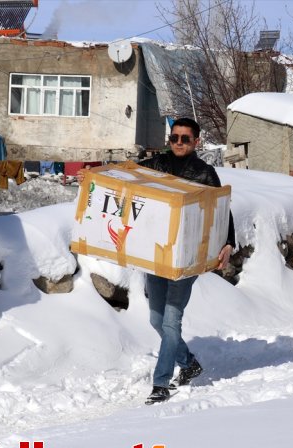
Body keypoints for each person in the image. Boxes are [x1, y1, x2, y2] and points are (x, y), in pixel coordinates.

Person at [77, 117, 236, 405]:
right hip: (156, 255)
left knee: (171, 322)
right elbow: (124, 178)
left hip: (185, 260)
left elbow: (222, 211)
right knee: (156, 319)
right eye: (174, 137)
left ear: (196, 142)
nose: (178, 143)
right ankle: (188, 363)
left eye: (185, 139)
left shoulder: (204, 173)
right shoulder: (156, 165)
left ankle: (161, 383)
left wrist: (228, 244)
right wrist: (91, 179)